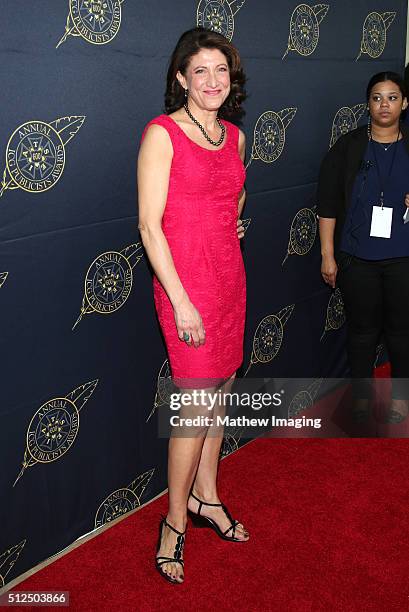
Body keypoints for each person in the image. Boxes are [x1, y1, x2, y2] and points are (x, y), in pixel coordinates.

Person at [137, 27, 249, 585]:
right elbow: (148, 226)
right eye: (200, 70)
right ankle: (174, 521)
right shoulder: (162, 134)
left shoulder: (234, 135)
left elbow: (234, 195)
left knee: (223, 395)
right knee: (194, 409)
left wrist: (228, 223)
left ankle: (207, 495)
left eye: (221, 70)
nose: (212, 80)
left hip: (230, 277)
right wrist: (180, 301)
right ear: (180, 79)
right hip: (187, 288)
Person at [317, 71, 409, 425]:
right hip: (358, 259)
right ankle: (361, 399)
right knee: (361, 332)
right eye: (376, 97)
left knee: (402, 334)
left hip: (403, 260)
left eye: (392, 97)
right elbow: (326, 202)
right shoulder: (349, 146)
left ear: (404, 103)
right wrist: (327, 254)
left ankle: (401, 399)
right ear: (367, 104)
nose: (384, 104)